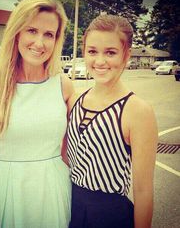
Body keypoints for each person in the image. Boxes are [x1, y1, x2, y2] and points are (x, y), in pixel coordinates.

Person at [0, 0, 74, 227]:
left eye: (49, 34)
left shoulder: (63, 85)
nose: (39, 42)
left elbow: (71, 149)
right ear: (17, 32)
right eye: (32, 30)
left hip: (54, 191)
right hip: (8, 191)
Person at [67, 14, 158, 228]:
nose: (99, 61)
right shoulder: (75, 99)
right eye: (92, 51)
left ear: (126, 55)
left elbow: (143, 190)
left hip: (109, 215)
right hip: (70, 206)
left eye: (110, 52)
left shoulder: (137, 111)